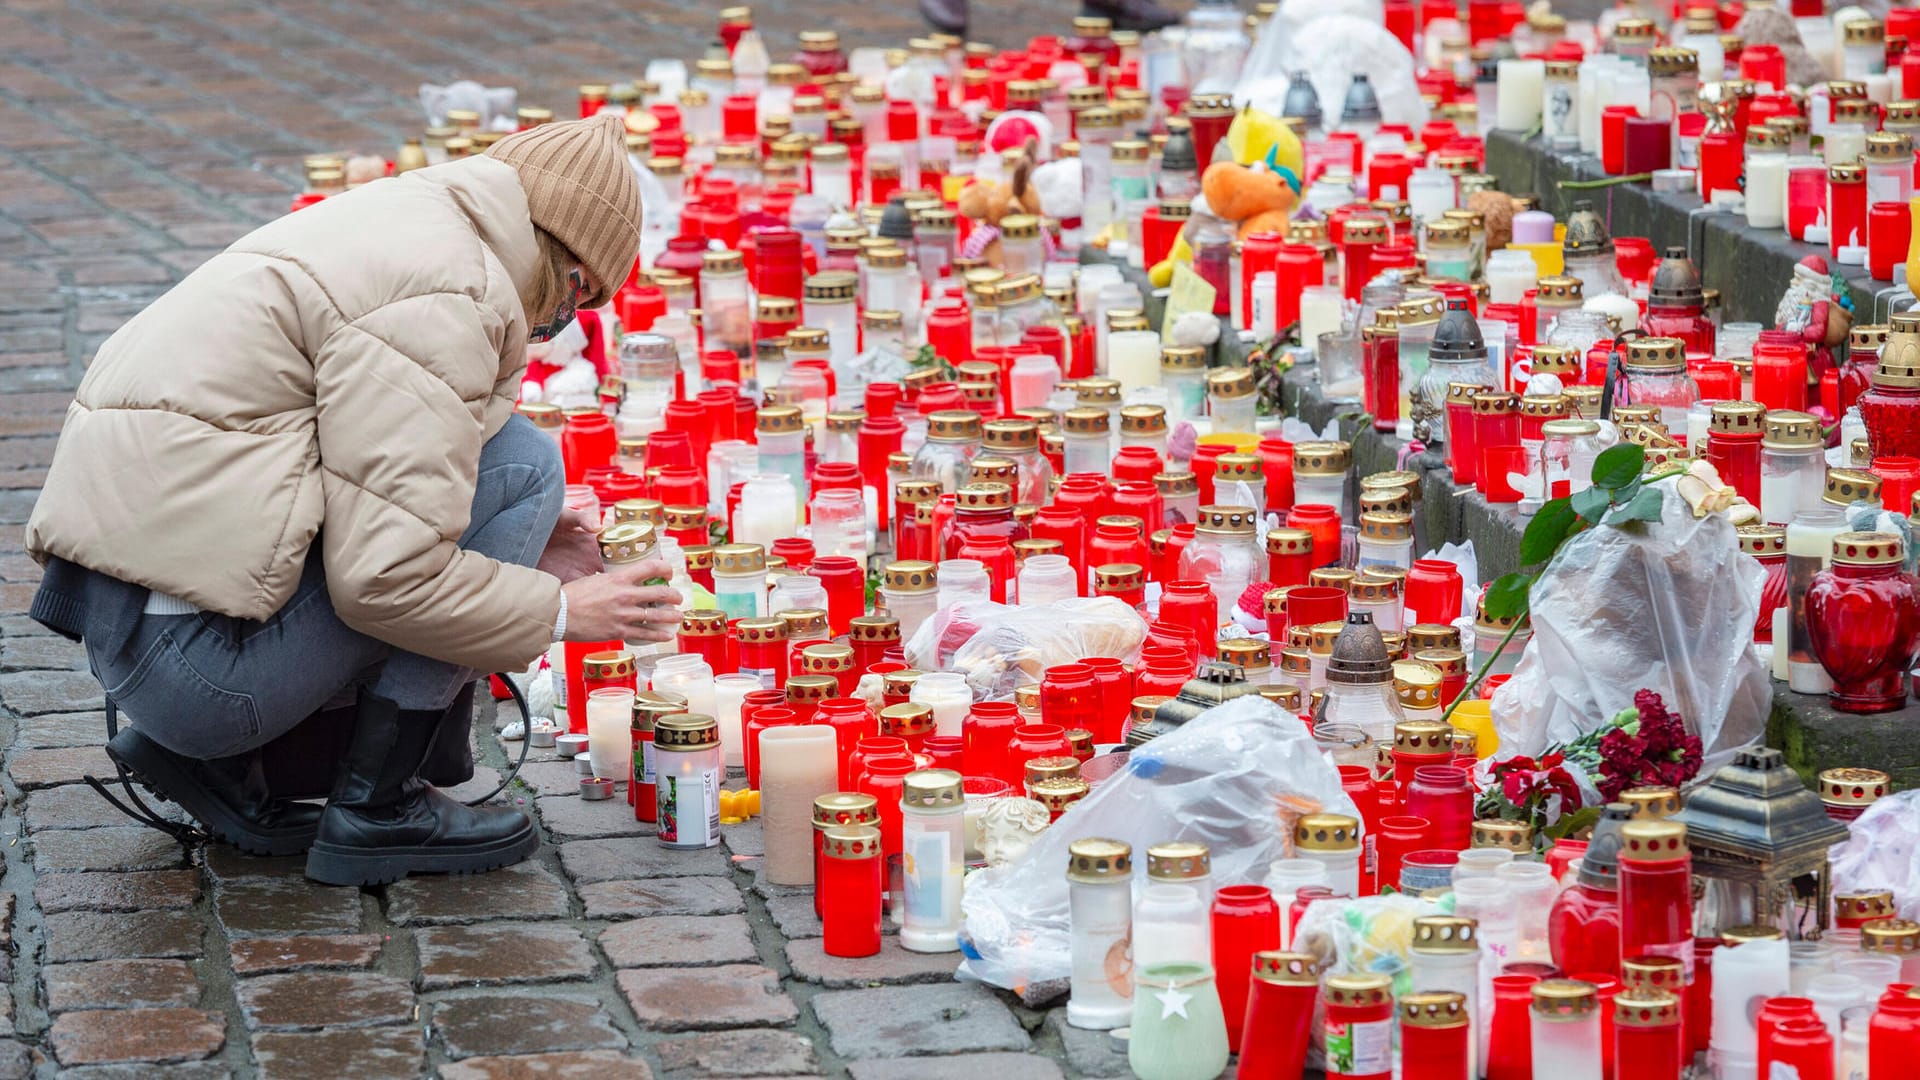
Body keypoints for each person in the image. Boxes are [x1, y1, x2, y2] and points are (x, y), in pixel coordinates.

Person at [23, 114, 683, 887]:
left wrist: (523, 546)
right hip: (197, 672)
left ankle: (237, 767)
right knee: (524, 463)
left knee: (499, 468)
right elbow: (386, 579)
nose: (559, 323)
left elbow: (339, 470)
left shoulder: (403, 227)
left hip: (138, 626)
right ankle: (380, 806)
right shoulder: (450, 295)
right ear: (558, 251)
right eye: (579, 295)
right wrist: (565, 612)